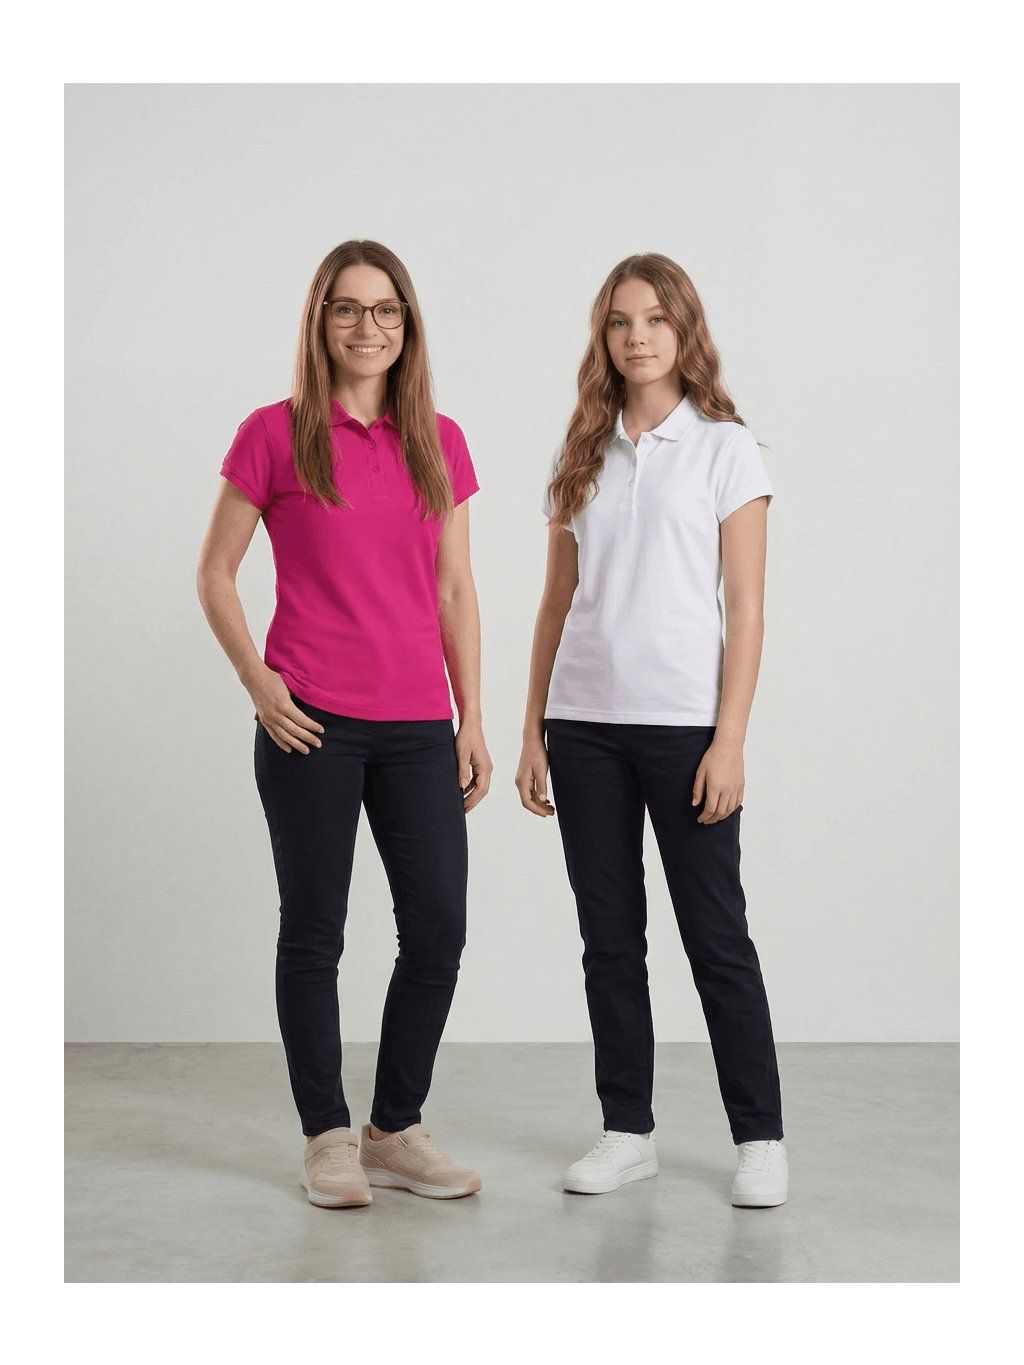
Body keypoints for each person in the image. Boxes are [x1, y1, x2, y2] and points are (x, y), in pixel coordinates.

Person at [197, 240, 491, 1208]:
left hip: (418, 724)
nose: (369, 326)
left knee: (438, 930)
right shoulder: (273, 434)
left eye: (386, 309)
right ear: (320, 322)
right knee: (314, 932)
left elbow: (454, 589)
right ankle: (326, 1136)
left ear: (408, 326)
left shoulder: (439, 440)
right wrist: (259, 684)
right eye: (348, 308)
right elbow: (215, 573)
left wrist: (472, 717)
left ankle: (394, 1129)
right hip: (309, 722)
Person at [515, 253, 787, 1207]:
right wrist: (531, 730)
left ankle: (760, 1137)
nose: (638, 337)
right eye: (621, 321)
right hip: (584, 725)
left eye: (656, 320)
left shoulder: (725, 448)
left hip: (684, 729)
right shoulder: (581, 453)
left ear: (684, 331)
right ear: (604, 335)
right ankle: (627, 1130)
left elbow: (746, 608)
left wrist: (730, 738)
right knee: (609, 939)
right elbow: (555, 603)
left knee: (717, 937)